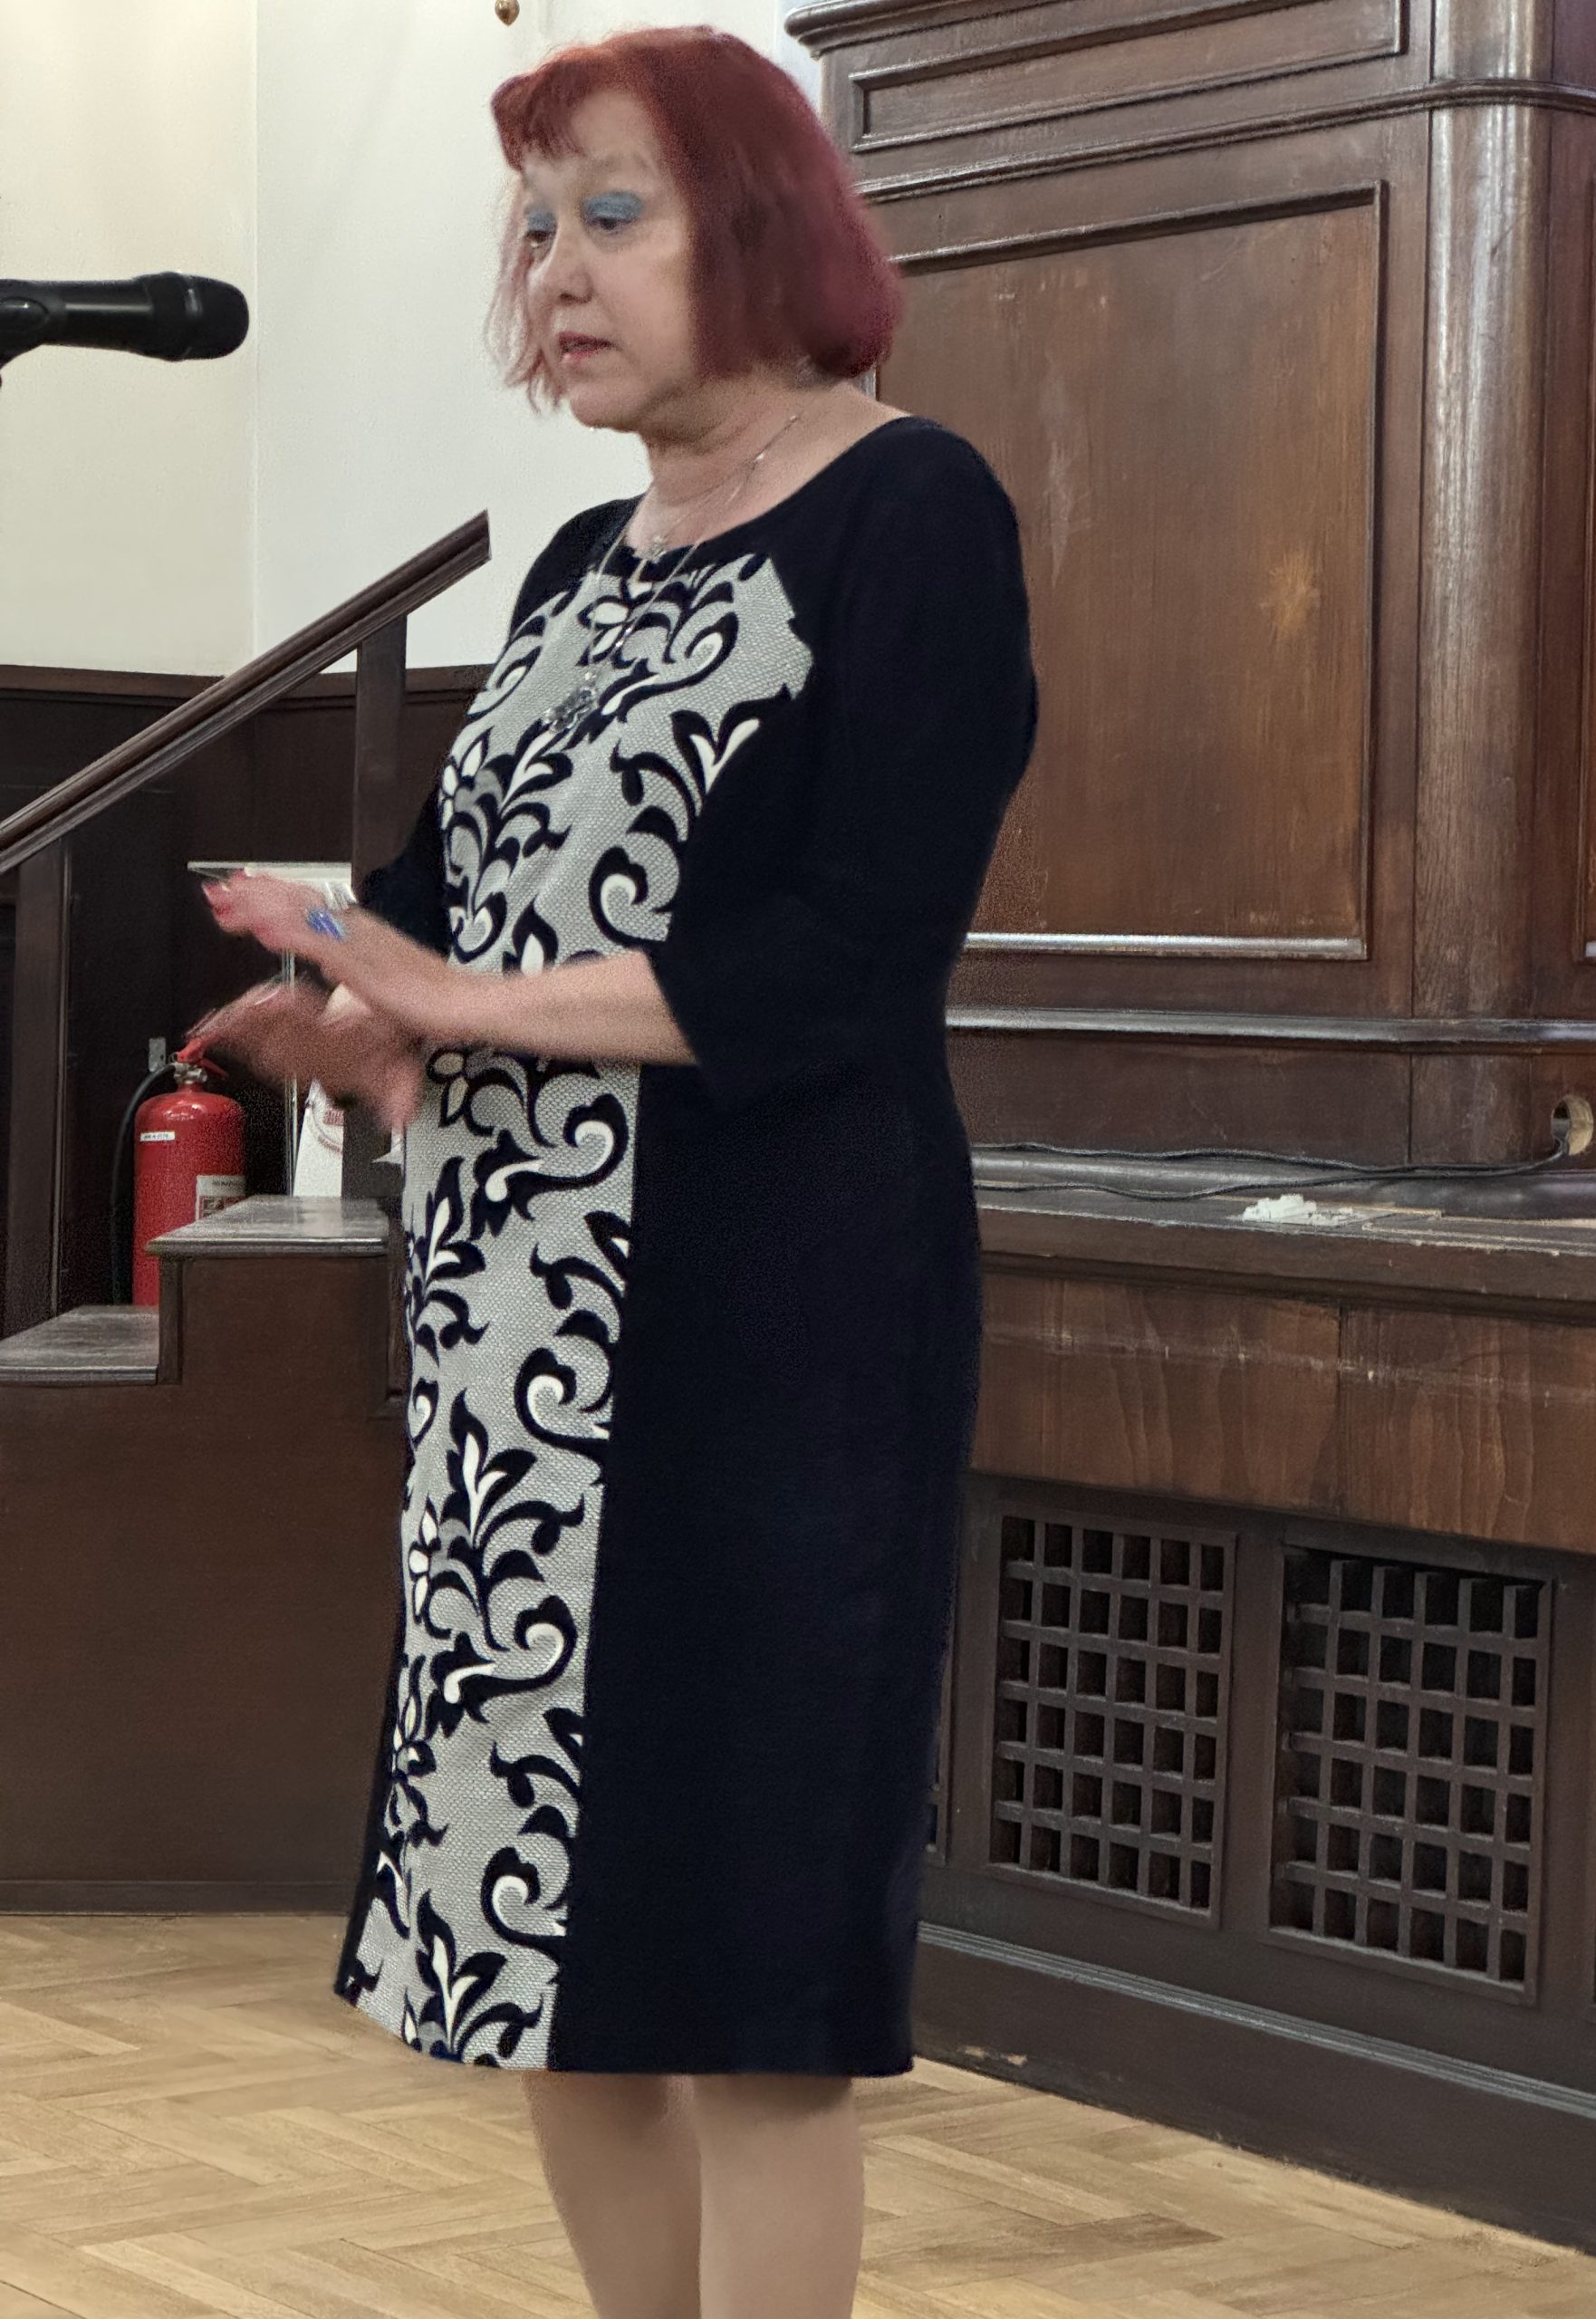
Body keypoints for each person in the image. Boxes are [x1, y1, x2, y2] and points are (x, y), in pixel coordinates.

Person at [197, 26, 1036, 2319]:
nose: (553, 272)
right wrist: (356, 1004)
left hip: (771, 1341)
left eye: (613, 214)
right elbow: (440, 898)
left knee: (745, 1979)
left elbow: (849, 955)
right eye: (534, 226)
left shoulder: (911, 510)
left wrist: (460, 998)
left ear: (760, 227)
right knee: (538, 1955)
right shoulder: (580, 561)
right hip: (508, 1358)